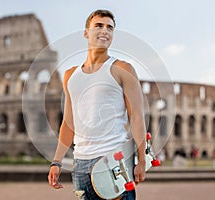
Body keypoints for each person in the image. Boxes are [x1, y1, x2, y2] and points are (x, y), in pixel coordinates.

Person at [48, 9, 146, 200]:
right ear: (86, 32)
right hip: (80, 165)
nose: (105, 31)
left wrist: (141, 159)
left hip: (113, 161)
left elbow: (137, 117)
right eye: (98, 26)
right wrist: (57, 161)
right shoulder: (70, 75)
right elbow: (68, 123)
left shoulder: (122, 69)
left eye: (110, 27)